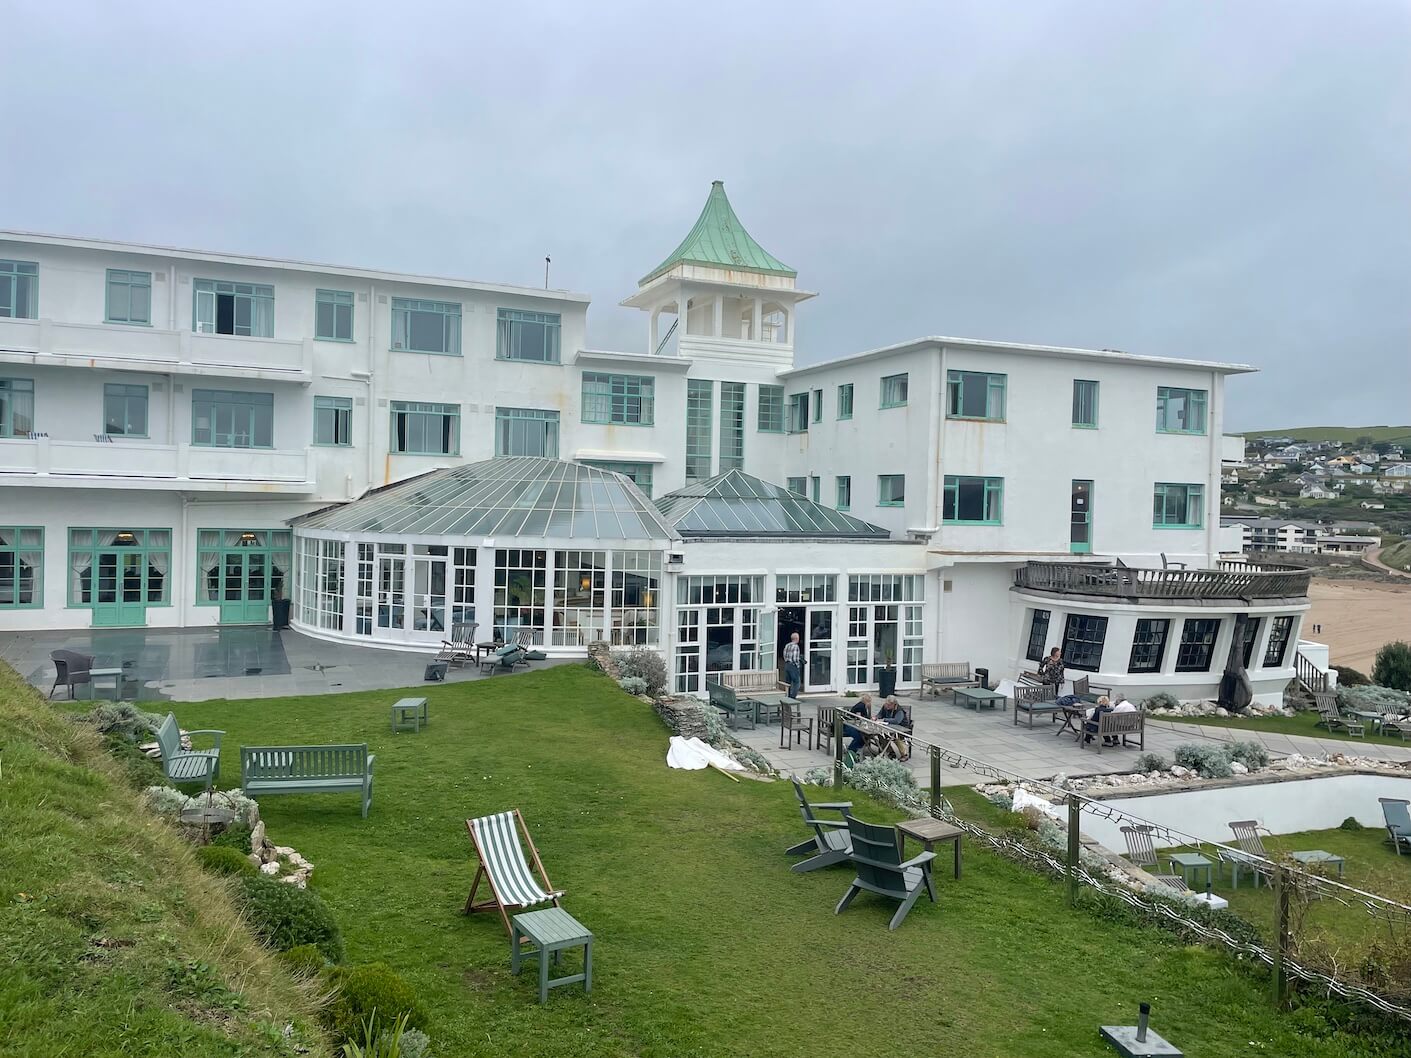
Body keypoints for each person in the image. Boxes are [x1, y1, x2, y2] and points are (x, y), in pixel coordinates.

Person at [782, 631, 803, 698]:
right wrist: (798, 665)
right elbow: (794, 658)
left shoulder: (787, 645)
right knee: (797, 682)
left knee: (788, 682)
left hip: (787, 665)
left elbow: (784, 655)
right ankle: (793, 697)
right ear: (796, 638)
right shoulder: (796, 646)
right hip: (793, 666)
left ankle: (787, 695)